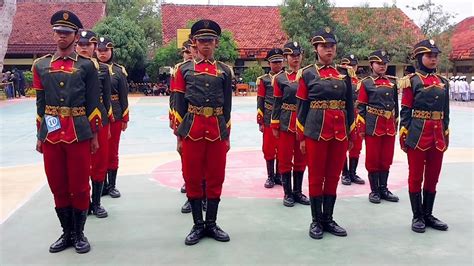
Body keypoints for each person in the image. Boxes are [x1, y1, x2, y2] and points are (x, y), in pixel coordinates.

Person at [33, 10, 101, 253]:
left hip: (79, 132)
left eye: (66, 33)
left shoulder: (87, 66)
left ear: (74, 36)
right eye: (58, 32)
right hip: (51, 133)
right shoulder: (40, 65)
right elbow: (40, 105)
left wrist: (94, 135)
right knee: (57, 184)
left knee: (80, 185)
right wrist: (40, 135)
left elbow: (94, 103)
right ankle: (67, 233)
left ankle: (80, 234)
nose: (61, 36)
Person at [172, 19, 232, 245]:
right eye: (202, 40)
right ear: (194, 43)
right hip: (192, 128)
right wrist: (179, 136)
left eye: (210, 40)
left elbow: (227, 106)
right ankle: (198, 225)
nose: (206, 44)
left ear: (216, 43)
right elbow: (179, 104)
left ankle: (212, 224)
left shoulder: (225, 71)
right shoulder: (183, 70)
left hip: (217, 129)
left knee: (216, 176)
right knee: (193, 176)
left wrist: (227, 135)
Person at [296, 27, 355, 239]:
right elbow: (301, 107)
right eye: (324, 46)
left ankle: (328, 218)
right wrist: (301, 136)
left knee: (333, 176)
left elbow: (349, 106)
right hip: (315, 131)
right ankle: (316, 221)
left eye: (331, 46)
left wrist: (351, 133)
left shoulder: (345, 74)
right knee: (316, 176)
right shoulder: (308, 73)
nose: (329, 49)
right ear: (316, 48)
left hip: (339, 133)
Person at [399, 39, 450, 233]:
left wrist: (445, 132)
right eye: (429, 56)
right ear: (420, 57)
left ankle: (428, 214)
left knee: (433, 176)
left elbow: (446, 111)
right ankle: (417, 216)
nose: (433, 59)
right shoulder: (412, 81)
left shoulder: (443, 82)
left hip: (438, 134)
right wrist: (404, 133)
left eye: (436, 56)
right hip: (418, 133)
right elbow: (405, 111)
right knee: (415, 176)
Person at [76, 29, 112, 218]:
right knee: (82, 165)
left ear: (94, 47)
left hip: (99, 121)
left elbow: (106, 99)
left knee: (99, 164)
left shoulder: (103, 69)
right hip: (77, 121)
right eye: (81, 45)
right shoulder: (71, 67)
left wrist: (106, 124)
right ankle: (84, 202)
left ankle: (96, 203)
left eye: (88, 45)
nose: (84, 48)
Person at [356, 50, 399, 204]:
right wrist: (361, 128)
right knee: (373, 158)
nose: (382, 66)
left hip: (389, 125)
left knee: (386, 158)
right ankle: (374, 190)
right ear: (371, 64)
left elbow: (396, 106)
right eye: (379, 63)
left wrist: (396, 124)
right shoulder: (366, 83)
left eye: (384, 63)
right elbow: (361, 107)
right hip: (373, 125)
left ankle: (384, 188)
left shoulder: (392, 83)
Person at [271, 42, 309, 207]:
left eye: (298, 55)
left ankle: (298, 192)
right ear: (286, 58)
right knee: (285, 158)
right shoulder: (280, 78)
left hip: (304, 121)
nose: (295, 58)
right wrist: (274, 124)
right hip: (286, 121)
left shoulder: (308, 75)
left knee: (301, 157)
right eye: (292, 56)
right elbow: (276, 103)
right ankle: (287, 193)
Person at [96, 36, 129, 198]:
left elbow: (124, 95)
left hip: (115, 114)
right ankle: (100, 185)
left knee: (112, 151)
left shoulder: (118, 70)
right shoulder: (90, 68)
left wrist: (125, 117)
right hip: (98, 114)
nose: (102, 54)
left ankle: (112, 186)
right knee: (98, 152)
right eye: (100, 50)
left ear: (111, 51)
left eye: (106, 50)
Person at [256, 48, 284, 189]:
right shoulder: (264, 80)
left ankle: (279, 175)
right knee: (269, 148)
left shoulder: (287, 78)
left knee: (282, 147)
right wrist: (260, 121)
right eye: (274, 62)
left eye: (279, 62)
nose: (277, 65)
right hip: (268, 116)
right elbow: (260, 101)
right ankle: (270, 176)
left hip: (283, 117)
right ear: (269, 63)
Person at [339, 54, 365, 186]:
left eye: (352, 65)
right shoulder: (339, 80)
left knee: (356, 145)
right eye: (346, 65)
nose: (349, 67)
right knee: (343, 145)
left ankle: (353, 173)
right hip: (343, 115)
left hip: (357, 115)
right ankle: (344, 173)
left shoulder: (361, 82)